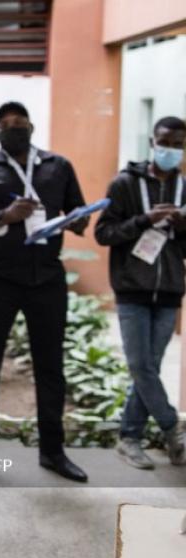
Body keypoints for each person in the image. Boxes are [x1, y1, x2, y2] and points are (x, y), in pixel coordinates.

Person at [0, 101, 90, 483]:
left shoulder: (57, 167)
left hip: (46, 278)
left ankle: (53, 452)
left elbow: (77, 209)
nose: (14, 129)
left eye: (19, 123)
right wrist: (2, 216)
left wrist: (78, 220)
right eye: (6, 125)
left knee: (50, 368)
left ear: (30, 125)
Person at [95, 116, 186, 469]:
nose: (171, 150)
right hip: (132, 288)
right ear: (153, 141)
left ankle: (129, 438)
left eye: (178, 145)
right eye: (166, 142)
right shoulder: (124, 184)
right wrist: (144, 220)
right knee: (140, 365)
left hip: (168, 291)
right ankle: (171, 428)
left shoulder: (184, 187)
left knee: (148, 367)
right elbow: (104, 233)